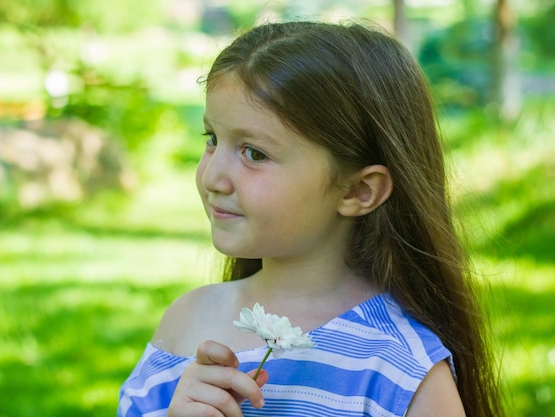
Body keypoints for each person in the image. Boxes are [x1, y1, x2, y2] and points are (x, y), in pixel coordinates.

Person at [117, 20, 502, 417]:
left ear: (358, 191)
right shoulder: (186, 324)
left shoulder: (399, 369)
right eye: (212, 139)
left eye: (254, 153)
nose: (213, 176)